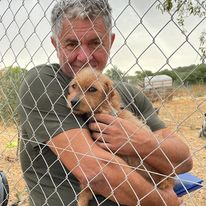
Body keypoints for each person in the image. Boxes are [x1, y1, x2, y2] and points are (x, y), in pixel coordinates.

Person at [18, 0, 193, 205]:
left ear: (110, 42)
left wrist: (137, 141)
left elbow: (183, 160)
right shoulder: (44, 82)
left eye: (95, 42)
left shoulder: (129, 93)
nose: (84, 56)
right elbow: (97, 172)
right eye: (72, 43)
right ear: (56, 45)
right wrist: (165, 202)